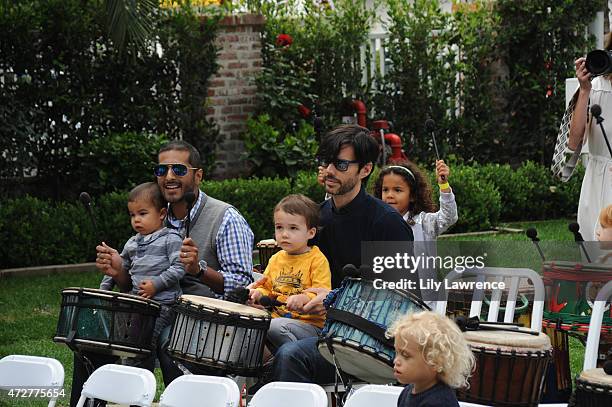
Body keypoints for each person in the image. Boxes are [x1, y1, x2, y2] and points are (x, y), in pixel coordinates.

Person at [71, 140, 255, 405]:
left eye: (179, 170)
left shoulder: (225, 217)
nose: (169, 177)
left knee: (171, 341)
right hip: (152, 309)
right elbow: (136, 281)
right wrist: (119, 270)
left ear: (198, 175)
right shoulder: (152, 216)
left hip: (203, 319)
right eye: (162, 170)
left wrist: (199, 270)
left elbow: (242, 287)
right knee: (92, 336)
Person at [271, 124, 415, 383]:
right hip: (321, 327)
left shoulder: (387, 223)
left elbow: (397, 299)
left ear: (366, 170)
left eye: (341, 164)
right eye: (326, 162)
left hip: (369, 343)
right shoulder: (319, 216)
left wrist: (334, 296)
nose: (329, 171)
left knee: (291, 356)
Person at [70, 182, 185, 406]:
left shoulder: (171, 238)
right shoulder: (133, 242)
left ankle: (139, 390)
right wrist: (102, 292)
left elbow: (178, 268)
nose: (136, 220)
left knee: (143, 346)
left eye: (143, 214)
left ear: (162, 214)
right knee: (123, 343)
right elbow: (118, 268)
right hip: (136, 306)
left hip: (163, 305)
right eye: (133, 215)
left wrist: (156, 285)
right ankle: (118, 385)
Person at [249, 194, 331, 351]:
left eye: (293, 228)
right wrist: (258, 293)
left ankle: (293, 357)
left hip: (309, 325)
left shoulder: (317, 259)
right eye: (279, 227)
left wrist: (304, 297)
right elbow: (267, 288)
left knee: (273, 326)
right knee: (249, 323)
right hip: (278, 320)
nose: (284, 234)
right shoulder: (275, 259)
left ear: (311, 233)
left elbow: (322, 292)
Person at [373, 159, 458, 303]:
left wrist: (443, 185)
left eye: (397, 190)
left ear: (412, 196)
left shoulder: (424, 223)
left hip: (424, 303)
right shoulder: (376, 223)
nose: (389, 195)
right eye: (385, 189)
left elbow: (448, 217)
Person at [569, 33, 612, 241]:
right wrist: (584, 90)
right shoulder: (596, 88)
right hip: (598, 182)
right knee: (597, 258)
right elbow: (575, 141)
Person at [387, 311, 474, 407]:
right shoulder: (406, 392)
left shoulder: (440, 402)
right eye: (397, 352)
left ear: (435, 361)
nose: (396, 361)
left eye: (405, 355)